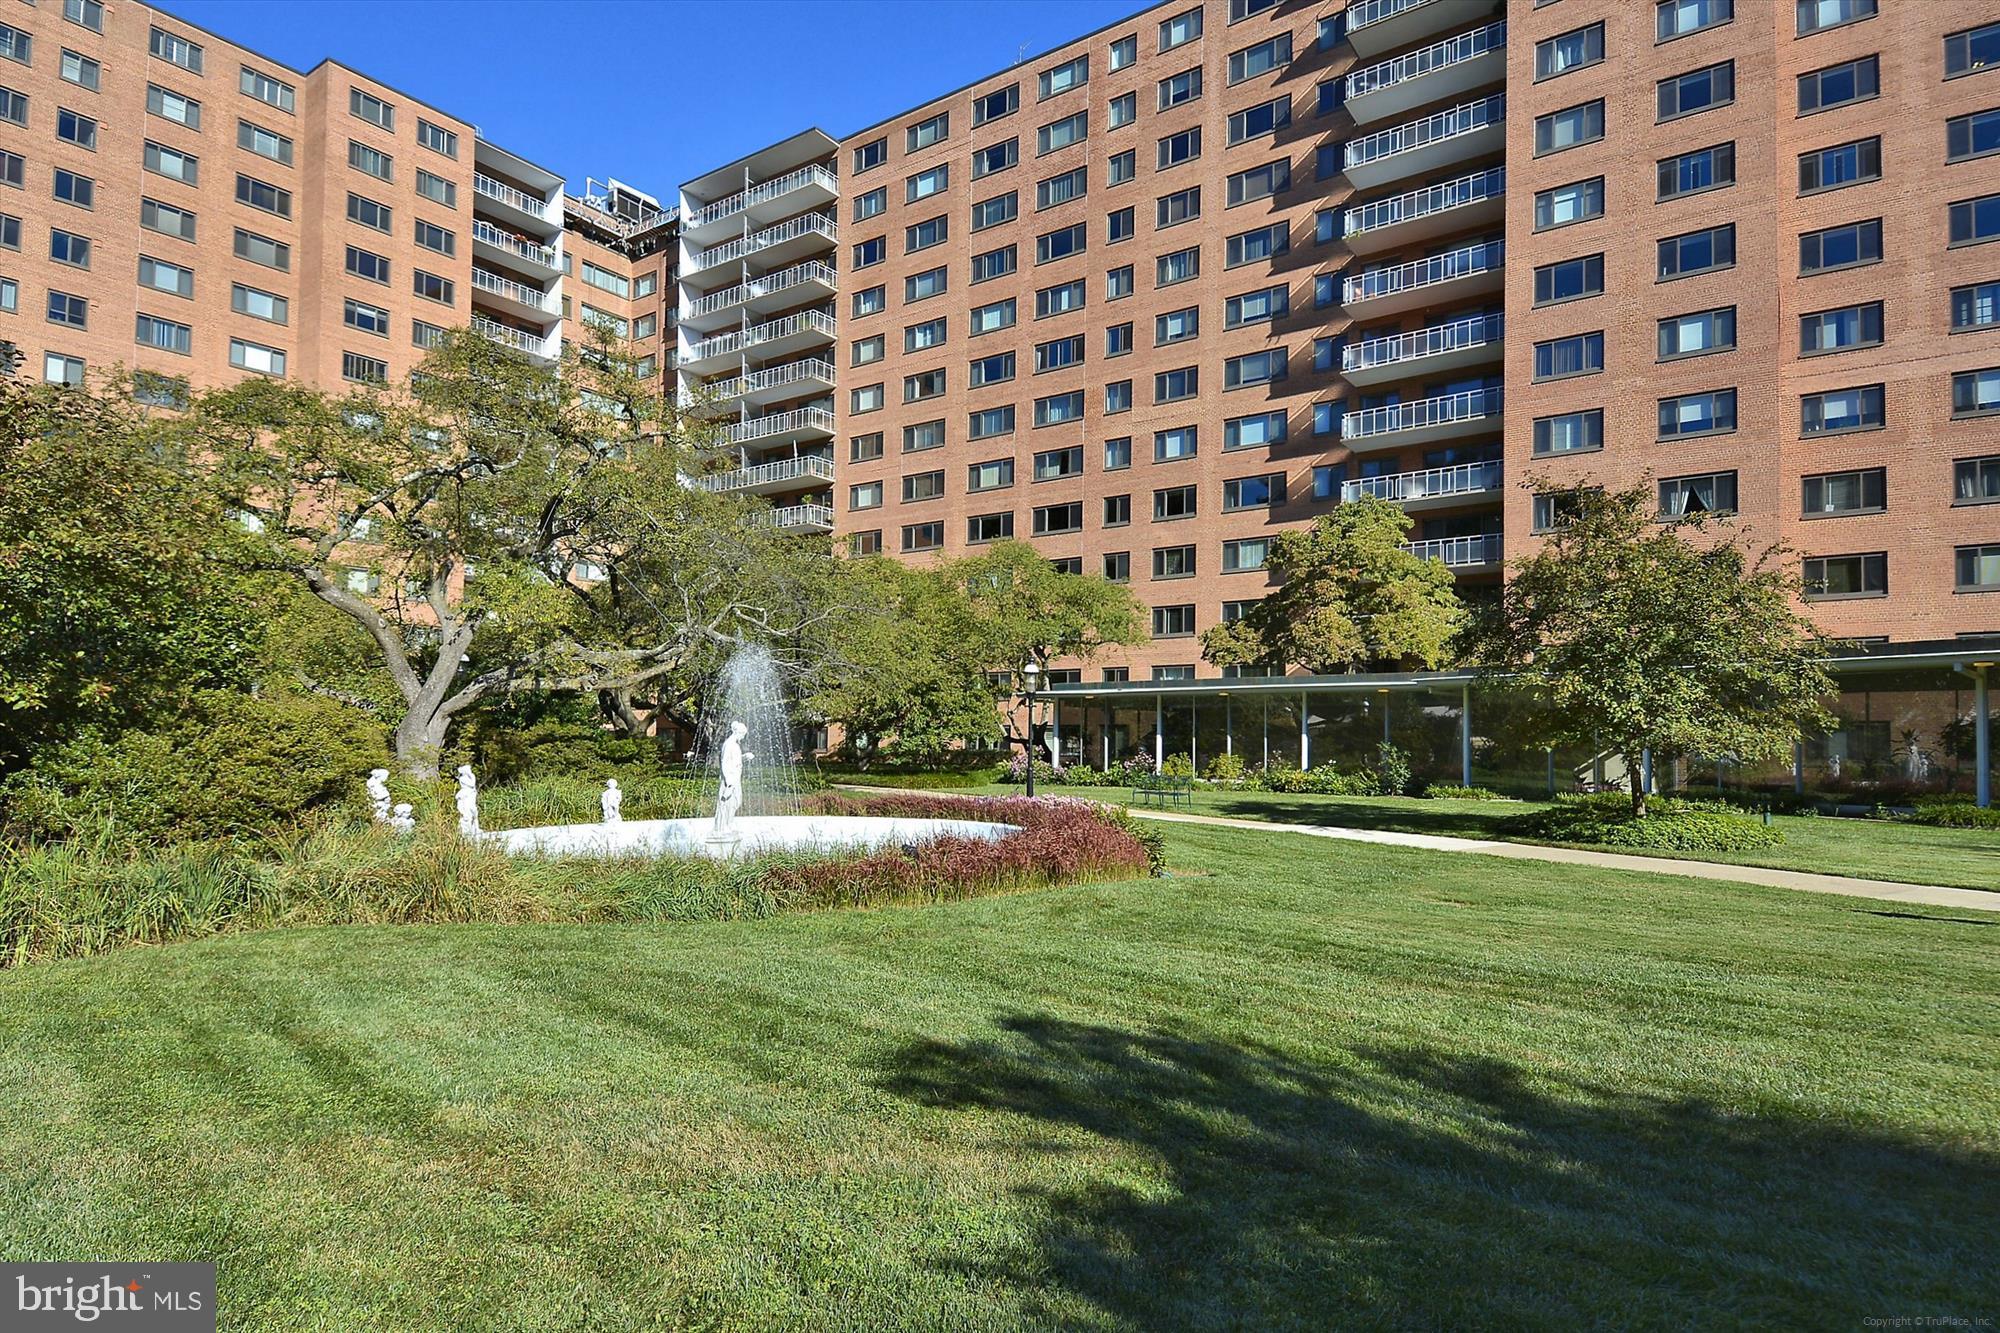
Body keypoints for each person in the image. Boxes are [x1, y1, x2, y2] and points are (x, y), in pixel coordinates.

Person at [712, 721, 753, 838]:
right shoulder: (729, 744)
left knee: (736, 802)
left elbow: (735, 760)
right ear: (738, 732)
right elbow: (724, 762)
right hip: (729, 779)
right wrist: (728, 780)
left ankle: (728, 823)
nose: (743, 737)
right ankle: (721, 827)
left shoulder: (735, 745)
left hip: (735, 778)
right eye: (743, 735)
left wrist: (745, 757)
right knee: (726, 803)